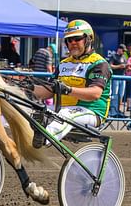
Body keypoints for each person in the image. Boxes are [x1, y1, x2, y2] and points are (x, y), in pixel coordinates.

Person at [30, 19, 112, 147]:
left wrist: (68, 89)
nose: (72, 43)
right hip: (63, 108)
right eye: (69, 40)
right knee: (36, 112)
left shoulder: (99, 64)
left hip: (91, 112)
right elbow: (49, 91)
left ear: (89, 39)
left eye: (77, 38)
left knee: (64, 115)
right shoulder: (64, 64)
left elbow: (95, 93)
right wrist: (27, 88)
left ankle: (41, 142)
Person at [109, 44, 127, 116]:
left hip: (123, 77)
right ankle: (113, 110)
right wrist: (119, 66)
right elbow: (110, 65)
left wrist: (126, 66)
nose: (123, 52)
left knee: (121, 94)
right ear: (119, 49)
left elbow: (125, 64)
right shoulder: (113, 56)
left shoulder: (124, 57)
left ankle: (118, 110)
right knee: (115, 94)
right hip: (116, 77)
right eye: (123, 50)